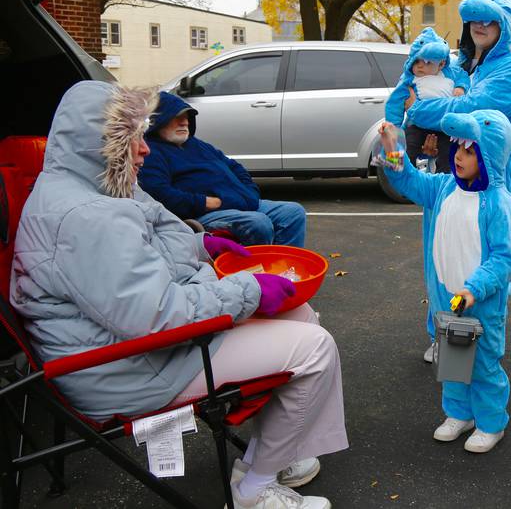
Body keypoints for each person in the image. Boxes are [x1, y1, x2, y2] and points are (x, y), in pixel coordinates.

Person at [10, 81, 347, 509]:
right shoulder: (86, 216)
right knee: (315, 349)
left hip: (126, 346)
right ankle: (253, 489)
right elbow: (159, 316)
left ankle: (269, 454)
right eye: (133, 138)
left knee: (300, 315)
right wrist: (247, 290)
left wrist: (201, 244)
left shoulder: (97, 182)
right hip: (120, 370)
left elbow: (160, 226)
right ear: (100, 142)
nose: (145, 149)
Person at [379, 109, 511, 453]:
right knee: (453, 361)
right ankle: (459, 414)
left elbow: (504, 258)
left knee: (484, 363)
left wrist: (474, 289)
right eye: (458, 148)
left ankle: (490, 422)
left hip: (480, 304)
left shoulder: (498, 204)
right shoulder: (443, 187)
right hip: (445, 297)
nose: (459, 156)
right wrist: (393, 148)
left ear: (489, 155)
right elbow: (409, 181)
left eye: (470, 151)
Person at [403, 0, 511, 214]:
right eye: (475, 19)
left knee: (485, 246)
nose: (480, 25)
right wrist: (429, 154)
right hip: (451, 176)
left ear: (505, 28)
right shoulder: (454, 65)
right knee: (444, 240)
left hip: (487, 187)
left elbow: (468, 108)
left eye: (490, 20)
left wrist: (417, 110)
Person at [138, 91, 306, 247]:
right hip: (203, 213)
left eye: (187, 116)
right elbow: (159, 194)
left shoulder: (197, 144)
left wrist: (249, 190)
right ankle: (259, 274)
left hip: (241, 201)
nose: (185, 121)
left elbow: (234, 166)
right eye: (176, 116)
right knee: (258, 222)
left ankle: (284, 268)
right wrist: (206, 202)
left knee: (293, 212)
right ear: (159, 120)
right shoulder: (152, 152)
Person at [385, 26, 469, 171]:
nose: (420, 66)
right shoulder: (409, 79)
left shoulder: (450, 73)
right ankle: (402, 176)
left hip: (445, 127)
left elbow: (463, 77)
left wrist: (460, 87)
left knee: (449, 153)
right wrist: (393, 128)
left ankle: (443, 181)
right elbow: (394, 103)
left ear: (441, 64)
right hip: (417, 126)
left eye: (428, 62)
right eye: (417, 61)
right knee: (409, 145)